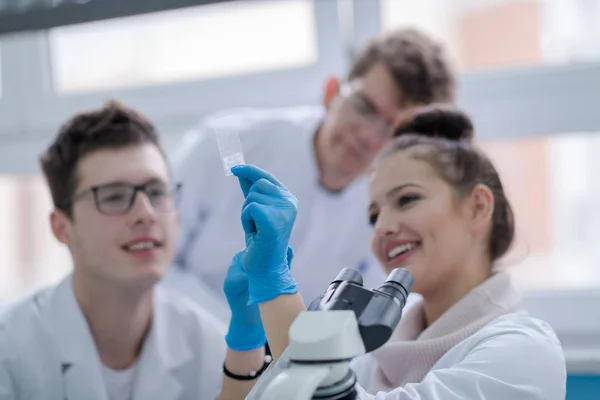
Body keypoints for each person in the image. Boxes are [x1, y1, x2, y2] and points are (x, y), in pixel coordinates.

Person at [218, 105, 566, 399]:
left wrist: (276, 282)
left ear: (477, 207)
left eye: (407, 199)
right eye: (374, 215)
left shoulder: (524, 353)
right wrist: (250, 333)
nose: (382, 227)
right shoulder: (375, 358)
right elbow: (302, 390)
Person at [163, 28, 456, 321]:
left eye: (392, 130)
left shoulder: (398, 216)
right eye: (364, 107)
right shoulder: (226, 144)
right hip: (191, 340)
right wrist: (233, 340)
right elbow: (157, 263)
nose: (369, 136)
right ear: (332, 92)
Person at [0, 101, 226, 400]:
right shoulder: (10, 352)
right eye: (115, 197)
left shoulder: (212, 349)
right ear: (62, 227)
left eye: (157, 192)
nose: (146, 213)